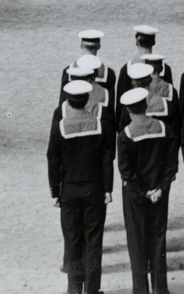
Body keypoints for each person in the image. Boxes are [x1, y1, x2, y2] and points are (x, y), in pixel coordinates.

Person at [49, 80, 116, 294]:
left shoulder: (59, 126)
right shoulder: (99, 125)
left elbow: (53, 159)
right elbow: (107, 158)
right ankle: (93, 290)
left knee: (72, 239)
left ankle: (74, 289)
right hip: (94, 190)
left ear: (68, 101)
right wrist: (108, 189)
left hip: (68, 190)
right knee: (93, 241)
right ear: (88, 100)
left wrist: (55, 191)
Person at [118, 86, 178, 294]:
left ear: (128, 111)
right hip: (160, 193)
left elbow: (126, 171)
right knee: (158, 238)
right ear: (146, 106)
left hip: (136, 195)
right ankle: (160, 288)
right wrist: (159, 188)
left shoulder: (126, 134)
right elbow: (171, 164)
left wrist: (144, 191)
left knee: (136, 241)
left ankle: (140, 289)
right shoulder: (163, 128)